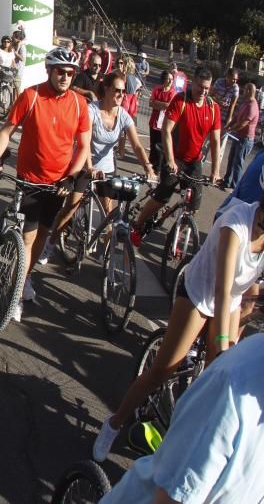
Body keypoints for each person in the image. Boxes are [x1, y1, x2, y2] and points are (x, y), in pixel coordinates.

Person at [93, 196, 264, 463]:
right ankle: (113, 424)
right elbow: (220, 288)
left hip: (231, 300)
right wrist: (220, 342)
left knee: (216, 381)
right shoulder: (236, 222)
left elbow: (249, 292)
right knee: (164, 368)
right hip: (201, 292)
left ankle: (184, 442)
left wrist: (233, 341)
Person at [0, 48, 91, 319]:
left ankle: (25, 275)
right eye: (61, 72)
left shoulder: (79, 104)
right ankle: (16, 291)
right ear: (49, 71)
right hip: (30, 179)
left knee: (43, 234)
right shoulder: (31, 96)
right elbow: (7, 130)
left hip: (59, 183)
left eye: (70, 73)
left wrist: (71, 176)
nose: (66, 77)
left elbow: (83, 146)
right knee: (29, 236)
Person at [100, 331, 264, 502]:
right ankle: (115, 423)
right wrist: (222, 346)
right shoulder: (231, 384)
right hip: (201, 305)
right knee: (161, 371)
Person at [42, 72, 156, 263]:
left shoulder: (124, 116)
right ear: (107, 89)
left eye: (124, 91)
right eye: (117, 90)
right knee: (70, 207)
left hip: (106, 168)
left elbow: (137, 145)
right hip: (84, 164)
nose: (121, 95)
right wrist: (89, 167)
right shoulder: (91, 110)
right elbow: (83, 142)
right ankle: (50, 244)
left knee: (110, 215)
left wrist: (148, 168)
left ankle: (106, 255)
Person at [131, 68, 221, 245]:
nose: (203, 92)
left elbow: (216, 140)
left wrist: (216, 171)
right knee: (161, 197)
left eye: (207, 88)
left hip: (194, 160)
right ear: (192, 83)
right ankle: (138, 225)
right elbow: (166, 130)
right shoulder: (181, 101)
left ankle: (179, 232)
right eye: (200, 87)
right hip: (175, 157)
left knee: (193, 205)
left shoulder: (212, 108)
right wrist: (171, 160)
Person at [221, 82, 259, 189]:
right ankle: (226, 181)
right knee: (231, 158)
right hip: (238, 136)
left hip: (245, 139)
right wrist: (229, 125)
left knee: (238, 162)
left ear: (248, 91)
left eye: (245, 89)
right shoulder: (245, 103)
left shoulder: (253, 106)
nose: (243, 91)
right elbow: (236, 116)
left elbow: (243, 124)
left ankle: (234, 186)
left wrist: (231, 129)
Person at [147, 70, 176, 171]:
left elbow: (169, 106)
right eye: (168, 78)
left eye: (172, 79)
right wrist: (162, 104)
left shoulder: (172, 92)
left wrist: (157, 103)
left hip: (164, 124)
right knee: (152, 145)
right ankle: (150, 167)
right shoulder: (157, 89)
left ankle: (158, 169)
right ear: (164, 79)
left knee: (160, 147)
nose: (170, 81)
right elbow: (150, 103)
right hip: (154, 122)